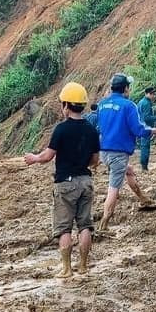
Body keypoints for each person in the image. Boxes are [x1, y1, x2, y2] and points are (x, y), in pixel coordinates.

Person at [24, 82, 100, 279]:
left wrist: (34, 158)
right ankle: (83, 266)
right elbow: (94, 161)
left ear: (66, 105)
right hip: (85, 182)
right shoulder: (92, 130)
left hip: (65, 184)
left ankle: (66, 269)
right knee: (85, 225)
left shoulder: (61, 129)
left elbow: (48, 156)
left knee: (64, 227)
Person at [97, 73, 156, 231]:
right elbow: (138, 129)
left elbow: (100, 127)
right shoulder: (128, 106)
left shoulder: (102, 104)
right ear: (126, 88)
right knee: (113, 188)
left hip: (104, 151)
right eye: (129, 87)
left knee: (129, 171)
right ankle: (104, 224)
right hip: (118, 153)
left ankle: (143, 199)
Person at [137, 87, 156, 171]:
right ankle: (144, 167)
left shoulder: (141, 102)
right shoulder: (146, 103)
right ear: (147, 94)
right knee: (145, 147)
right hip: (145, 127)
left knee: (143, 146)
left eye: (154, 94)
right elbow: (147, 117)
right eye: (152, 94)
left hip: (141, 126)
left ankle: (144, 166)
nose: (154, 96)